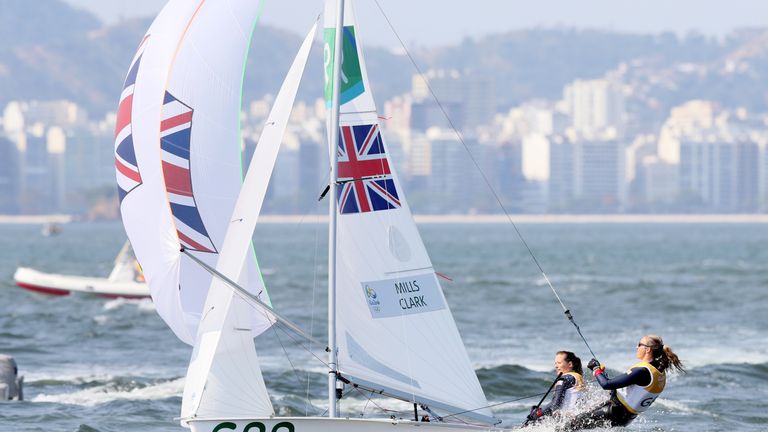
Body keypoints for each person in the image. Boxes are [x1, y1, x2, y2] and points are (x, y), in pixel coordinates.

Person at [561, 335, 685, 431]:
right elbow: (625, 389)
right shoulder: (658, 371)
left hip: (614, 412)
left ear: (647, 350)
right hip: (625, 417)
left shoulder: (642, 371)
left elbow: (606, 385)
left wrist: (595, 369)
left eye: (639, 344)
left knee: (570, 426)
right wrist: (603, 376)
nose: (637, 347)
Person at [526, 351, 586, 424]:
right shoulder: (578, 378)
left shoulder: (564, 378)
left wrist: (537, 413)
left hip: (566, 421)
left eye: (559, 363)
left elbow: (555, 405)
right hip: (576, 419)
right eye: (555, 363)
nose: (556, 366)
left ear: (570, 364)